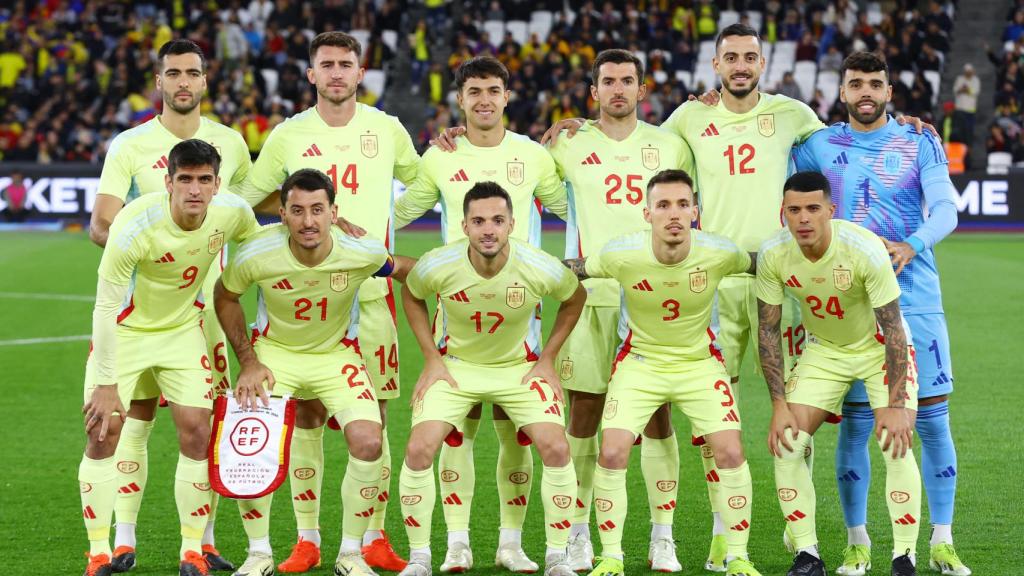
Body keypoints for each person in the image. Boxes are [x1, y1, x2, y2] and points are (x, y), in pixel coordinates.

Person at [432, 48, 695, 572]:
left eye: (628, 81)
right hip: (593, 295)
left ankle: (661, 537)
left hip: (653, 297)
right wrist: (460, 141)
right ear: (593, 92)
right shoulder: (567, 145)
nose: (618, 90)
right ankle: (576, 533)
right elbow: (524, 180)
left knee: (659, 416)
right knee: (583, 416)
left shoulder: (670, 145)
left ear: (642, 89)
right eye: (608, 82)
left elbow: (690, 209)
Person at [238, 31, 420, 573]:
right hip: (307, 299)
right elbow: (250, 198)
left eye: (346, 64)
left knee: (374, 420)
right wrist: (310, 212)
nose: (337, 73)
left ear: (361, 73)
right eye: (327, 65)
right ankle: (307, 538)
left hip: (373, 294)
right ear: (311, 74)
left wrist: (386, 227)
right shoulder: (290, 134)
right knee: (309, 417)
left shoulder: (386, 128)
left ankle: (371, 538)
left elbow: (424, 182)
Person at [792, 52, 968, 576]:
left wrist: (911, 244)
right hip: (845, 308)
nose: (865, 91)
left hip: (915, 299)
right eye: (855, 83)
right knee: (857, 426)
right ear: (842, 91)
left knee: (932, 419)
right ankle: (858, 543)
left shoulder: (920, 141)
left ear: (889, 91)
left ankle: (941, 540)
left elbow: (946, 208)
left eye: (875, 83)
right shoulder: (815, 145)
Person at [392, 55, 568, 574]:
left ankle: (512, 544)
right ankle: (456, 544)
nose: (484, 100)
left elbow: (571, 204)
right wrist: (339, 219)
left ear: (507, 96)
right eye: (474, 92)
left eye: (493, 90)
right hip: (457, 307)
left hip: (521, 314)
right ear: (461, 99)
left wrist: (582, 138)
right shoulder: (439, 157)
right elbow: (401, 209)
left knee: (518, 434)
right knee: (456, 431)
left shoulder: (534, 155)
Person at [88, 39, 252, 573]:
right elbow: (101, 224)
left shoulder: (229, 142)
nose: (184, 82)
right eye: (173, 73)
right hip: (147, 299)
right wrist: (155, 245)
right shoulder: (130, 144)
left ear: (206, 81)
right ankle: (123, 539)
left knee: (201, 426)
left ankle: (200, 544)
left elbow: (245, 211)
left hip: (205, 310)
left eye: (193, 73)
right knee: (131, 417)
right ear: (159, 81)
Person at [214, 168, 415, 576]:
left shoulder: (360, 250)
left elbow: (407, 269)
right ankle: (258, 555)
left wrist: (466, 270)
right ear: (282, 215)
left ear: (333, 212)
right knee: (244, 447)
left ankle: (351, 554)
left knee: (368, 440)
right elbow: (225, 296)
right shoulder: (256, 252)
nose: (308, 221)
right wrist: (249, 361)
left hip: (335, 355)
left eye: (318, 210)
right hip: (275, 355)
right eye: (298, 211)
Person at [562, 169, 761, 576]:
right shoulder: (621, 254)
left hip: (700, 364)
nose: (674, 214)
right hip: (640, 364)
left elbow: (761, 262)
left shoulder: (719, 252)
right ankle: (612, 557)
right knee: (613, 451)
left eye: (682, 204)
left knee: (731, 451)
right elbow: (575, 268)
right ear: (647, 212)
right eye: (664, 205)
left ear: (695, 211)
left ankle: (738, 556)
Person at [397, 183, 587, 576]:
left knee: (555, 446)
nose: (488, 229)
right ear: (463, 225)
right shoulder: (439, 263)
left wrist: (548, 358)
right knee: (419, 449)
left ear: (512, 225)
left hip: (518, 368)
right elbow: (412, 294)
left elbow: (575, 297)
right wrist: (432, 358)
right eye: (479, 221)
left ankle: (554, 556)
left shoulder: (536, 264)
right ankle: (427, 556)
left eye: (498, 221)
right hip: (456, 367)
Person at [757, 171, 921, 576]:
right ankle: (807, 556)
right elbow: (767, 331)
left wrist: (896, 403)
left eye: (814, 208)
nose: (804, 218)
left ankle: (904, 557)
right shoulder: (774, 254)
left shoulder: (862, 249)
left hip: (878, 347)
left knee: (894, 439)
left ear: (831, 210)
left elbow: (894, 327)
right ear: (784, 213)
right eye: (794, 210)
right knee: (788, 440)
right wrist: (779, 405)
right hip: (825, 351)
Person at [953, 64, 980, 142]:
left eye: (969, 71)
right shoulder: (959, 79)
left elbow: (976, 92)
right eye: (967, 71)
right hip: (960, 108)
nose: (968, 73)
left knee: (969, 128)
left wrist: (967, 90)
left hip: (970, 109)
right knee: (959, 128)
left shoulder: (976, 80)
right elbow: (955, 90)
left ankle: (969, 144)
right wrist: (961, 89)